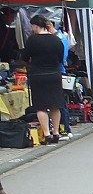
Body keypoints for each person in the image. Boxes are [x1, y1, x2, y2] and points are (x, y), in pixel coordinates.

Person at [24, 15, 65, 143]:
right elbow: (61, 58)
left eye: (32, 26)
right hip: (54, 74)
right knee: (55, 105)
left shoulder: (32, 40)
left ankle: (47, 134)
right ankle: (56, 132)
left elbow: (26, 56)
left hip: (37, 75)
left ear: (36, 26)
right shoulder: (56, 40)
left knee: (41, 106)